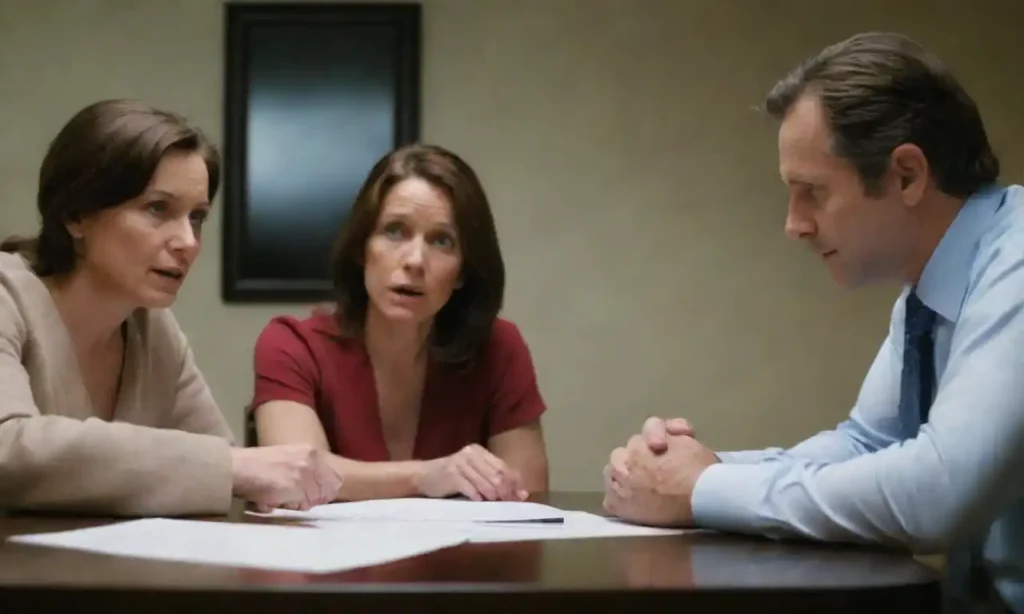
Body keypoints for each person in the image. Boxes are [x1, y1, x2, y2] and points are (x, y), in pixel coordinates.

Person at [602, 32, 1024, 613]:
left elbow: (938, 493)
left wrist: (701, 490)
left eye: (812, 193)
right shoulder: (929, 293)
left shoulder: (1018, 261)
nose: (793, 225)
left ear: (906, 175)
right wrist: (698, 468)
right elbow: (866, 443)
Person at [0, 99, 342, 517]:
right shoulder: (6, 295)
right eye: (157, 209)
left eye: (196, 217)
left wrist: (243, 473)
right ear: (75, 215)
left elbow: (226, 476)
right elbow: (7, 448)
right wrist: (228, 468)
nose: (189, 242)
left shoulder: (153, 330)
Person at [250, 143, 549, 502]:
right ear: (362, 249)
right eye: (395, 231)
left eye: (441, 240)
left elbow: (526, 502)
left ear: (462, 273)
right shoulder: (291, 345)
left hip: (462, 558)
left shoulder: (499, 349)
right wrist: (426, 476)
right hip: (333, 557)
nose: (415, 260)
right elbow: (297, 479)